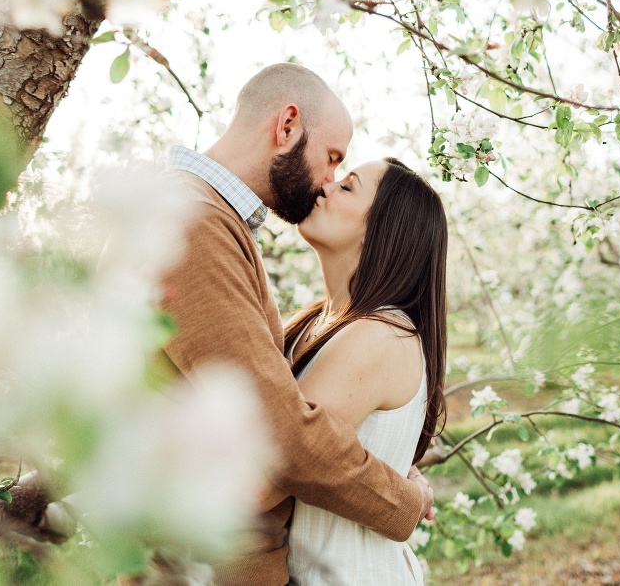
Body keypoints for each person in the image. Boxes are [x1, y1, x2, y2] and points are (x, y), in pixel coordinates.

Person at [157, 63, 435, 585]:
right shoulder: (194, 221)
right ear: (286, 127)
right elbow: (278, 436)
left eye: (346, 180)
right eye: (332, 160)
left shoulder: (209, 218)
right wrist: (401, 494)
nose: (328, 182)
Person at [261, 157, 448, 585]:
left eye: (348, 187)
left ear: (384, 230)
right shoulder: (312, 322)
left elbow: (268, 473)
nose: (324, 185)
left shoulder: (379, 336)